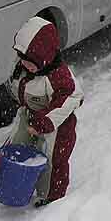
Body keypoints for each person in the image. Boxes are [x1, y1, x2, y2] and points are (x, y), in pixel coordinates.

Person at [6, 16, 83, 207]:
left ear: (45, 58)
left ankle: (51, 198)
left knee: (53, 161)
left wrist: (43, 123)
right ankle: (16, 181)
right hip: (31, 115)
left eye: (29, 61)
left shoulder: (58, 76)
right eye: (22, 59)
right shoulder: (25, 66)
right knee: (17, 146)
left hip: (57, 125)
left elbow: (72, 97)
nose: (24, 64)